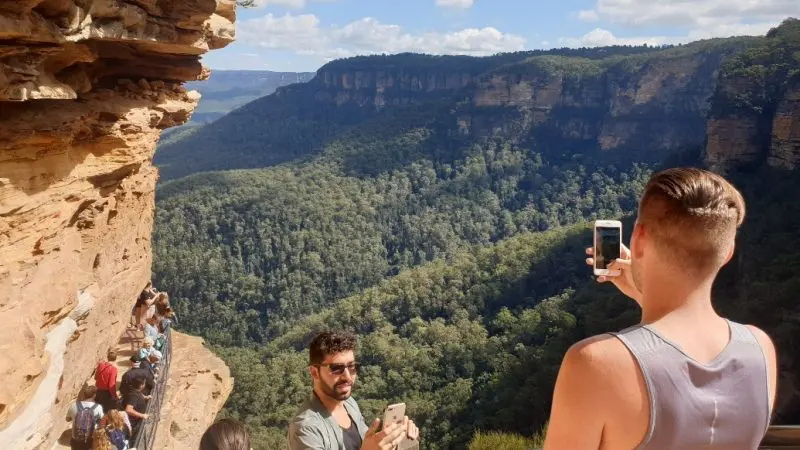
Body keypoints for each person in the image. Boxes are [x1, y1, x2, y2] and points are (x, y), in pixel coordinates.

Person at [543, 168, 778, 450]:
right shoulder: (760, 349)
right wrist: (645, 295)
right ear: (727, 252)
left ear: (639, 239)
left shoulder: (596, 363)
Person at [287, 330, 419, 450]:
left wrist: (397, 441)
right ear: (315, 372)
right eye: (336, 369)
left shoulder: (349, 404)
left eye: (351, 367)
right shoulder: (306, 429)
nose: (347, 376)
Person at [67, 386, 105, 450]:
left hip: (76, 439)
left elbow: (67, 419)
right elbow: (102, 421)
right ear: (94, 395)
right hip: (90, 439)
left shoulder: (74, 405)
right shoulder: (98, 407)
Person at [95, 349, 120, 414]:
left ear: (107, 357)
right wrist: (115, 396)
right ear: (115, 358)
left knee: (99, 410)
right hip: (106, 393)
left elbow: (96, 377)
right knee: (106, 412)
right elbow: (111, 384)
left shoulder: (101, 365)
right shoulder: (113, 369)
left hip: (98, 391)